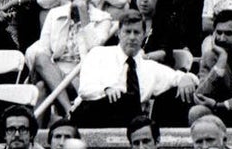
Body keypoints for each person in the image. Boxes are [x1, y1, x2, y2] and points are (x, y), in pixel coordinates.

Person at [69, 11, 197, 128]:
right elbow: (85, 89)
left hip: (128, 120)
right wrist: (106, 90)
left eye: (136, 32)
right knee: (122, 100)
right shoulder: (99, 54)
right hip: (94, 112)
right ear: (118, 33)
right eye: (127, 31)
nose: (132, 37)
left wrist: (185, 78)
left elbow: (176, 77)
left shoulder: (149, 67)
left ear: (143, 35)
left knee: (175, 94)